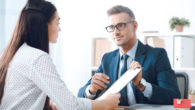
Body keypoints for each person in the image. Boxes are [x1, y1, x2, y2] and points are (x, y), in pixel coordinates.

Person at [0, 0, 120, 110]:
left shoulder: (16, 53)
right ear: (45, 25)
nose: (59, 29)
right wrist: (106, 104)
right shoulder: (37, 58)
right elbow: (71, 106)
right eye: (57, 23)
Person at [78, 5, 181, 106]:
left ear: (134, 26)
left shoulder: (157, 55)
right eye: (111, 27)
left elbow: (174, 97)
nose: (116, 32)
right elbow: (80, 95)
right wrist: (91, 90)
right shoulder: (108, 59)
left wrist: (142, 85)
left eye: (121, 25)